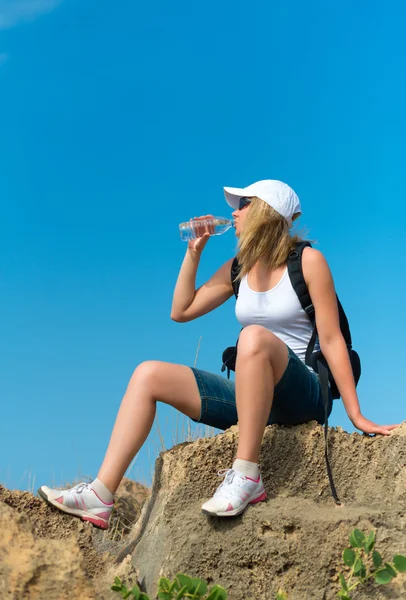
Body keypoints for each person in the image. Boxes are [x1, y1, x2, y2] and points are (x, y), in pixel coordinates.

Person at [38, 179, 399, 527]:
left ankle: (246, 475)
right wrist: (193, 253)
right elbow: (181, 311)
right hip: (254, 397)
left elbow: (333, 340)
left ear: (266, 212)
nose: (236, 214)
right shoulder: (238, 269)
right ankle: (100, 495)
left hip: (302, 392)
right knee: (147, 374)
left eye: (244, 205)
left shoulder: (308, 262)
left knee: (252, 337)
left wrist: (356, 414)